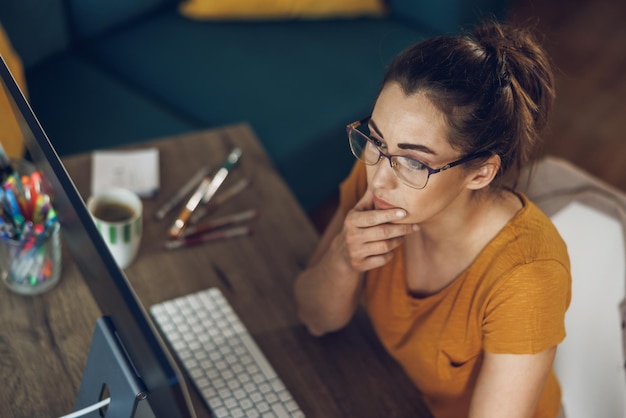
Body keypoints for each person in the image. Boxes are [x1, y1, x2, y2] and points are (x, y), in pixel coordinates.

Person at [294, 20, 571, 418]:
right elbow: (315, 318)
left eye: (413, 161)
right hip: (399, 390)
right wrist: (342, 257)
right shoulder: (376, 176)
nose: (380, 178)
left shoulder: (527, 275)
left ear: (480, 173)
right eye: (375, 139)